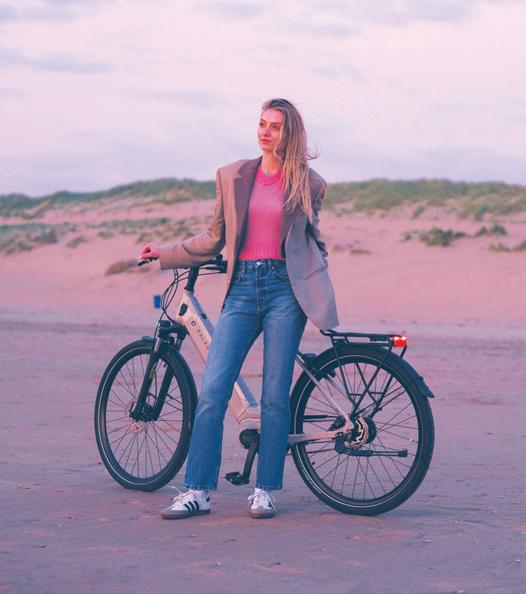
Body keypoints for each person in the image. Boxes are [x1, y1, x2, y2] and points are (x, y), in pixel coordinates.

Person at [139, 98, 339, 520]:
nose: (265, 132)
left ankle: (264, 491)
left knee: (274, 396)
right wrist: (166, 253)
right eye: (262, 123)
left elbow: (310, 241)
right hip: (242, 288)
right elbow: (213, 237)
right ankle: (197, 491)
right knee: (213, 391)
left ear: (290, 133)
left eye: (275, 126)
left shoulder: (309, 184)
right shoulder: (232, 176)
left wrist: (316, 280)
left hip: (286, 292)